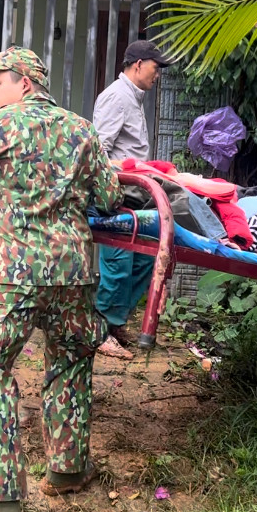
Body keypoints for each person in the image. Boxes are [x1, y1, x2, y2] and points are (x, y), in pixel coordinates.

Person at [0, 46, 122, 512]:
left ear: (25, 82)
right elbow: (109, 197)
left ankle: (1, 498)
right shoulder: (81, 129)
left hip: (14, 273)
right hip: (73, 271)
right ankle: (67, 470)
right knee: (71, 360)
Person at [90, 39, 173, 359]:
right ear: (138, 65)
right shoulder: (116, 96)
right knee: (118, 265)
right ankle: (100, 331)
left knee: (146, 258)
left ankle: (113, 322)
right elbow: (98, 152)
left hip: (136, 196)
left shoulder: (133, 97)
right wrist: (130, 173)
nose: (158, 75)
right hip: (116, 195)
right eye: (155, 67)